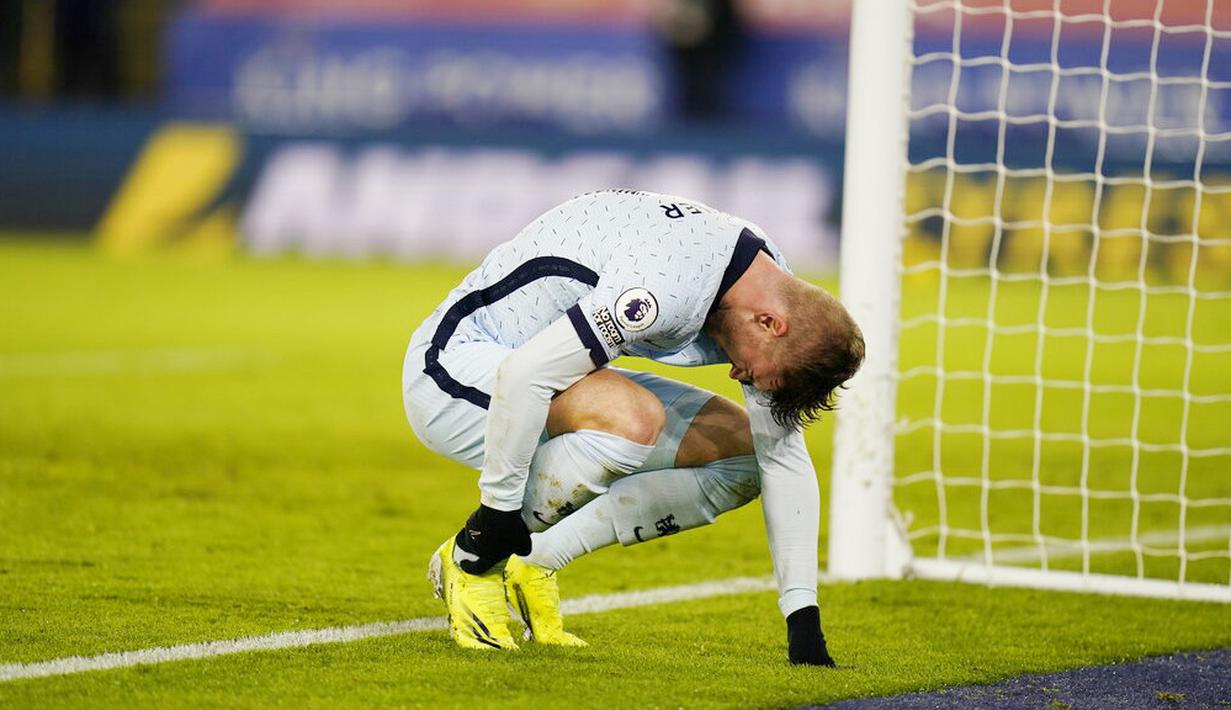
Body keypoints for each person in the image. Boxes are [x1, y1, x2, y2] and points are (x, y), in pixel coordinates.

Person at [402, 189, 863, 665]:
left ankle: (535, 558)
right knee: (632, 419)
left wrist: (802, 620)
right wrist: (495, 518)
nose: (738, 374)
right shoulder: (664, 289)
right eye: (764, 371)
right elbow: (524, 376)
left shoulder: (764, 283)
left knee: (744, 456)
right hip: (450, 370)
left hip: (547, 370)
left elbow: (780, 457)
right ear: (771, 324)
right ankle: (473, 562)